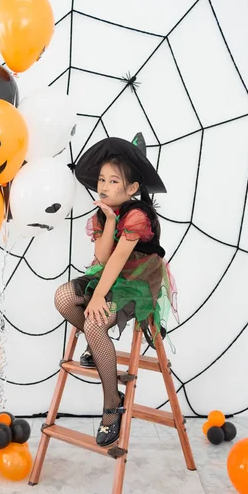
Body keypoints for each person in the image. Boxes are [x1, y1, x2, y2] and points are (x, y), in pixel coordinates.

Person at [54, 133, 178, 447]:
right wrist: (108, 221)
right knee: (63, 297)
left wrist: (97, 296)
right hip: (109, 273)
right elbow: (103, 259)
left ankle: (113, 404)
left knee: (95, 323)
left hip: (136, 280)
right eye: (102, 180)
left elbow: (120, 260)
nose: (105, 187)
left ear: (133, 189)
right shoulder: (103, 212)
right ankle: (97, 346)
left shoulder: (137, 214)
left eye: (113, 181)